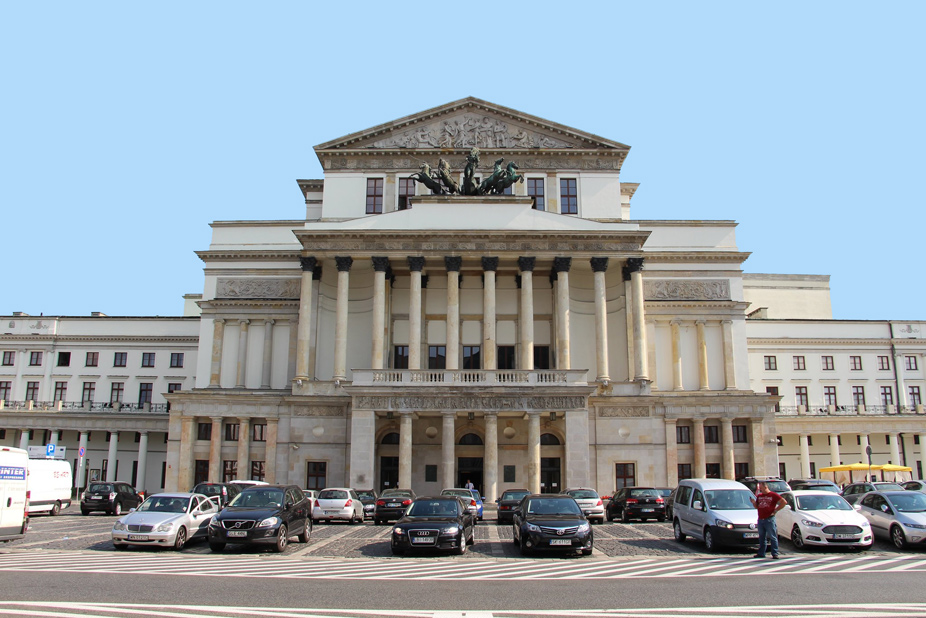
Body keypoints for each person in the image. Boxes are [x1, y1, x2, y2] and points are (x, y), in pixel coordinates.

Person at [750, 481, 787, 559]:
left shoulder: (773, 495)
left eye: (761, 487)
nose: (759, 489)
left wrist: (776, 510)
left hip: (769, 519)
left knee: (772, 536)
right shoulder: (759, 496)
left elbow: (783, 502)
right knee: (762, 537)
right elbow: (757, 506)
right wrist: (753, 502)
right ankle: (761, 553)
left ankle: (775, 553)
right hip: (761, 519)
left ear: (765, 487)